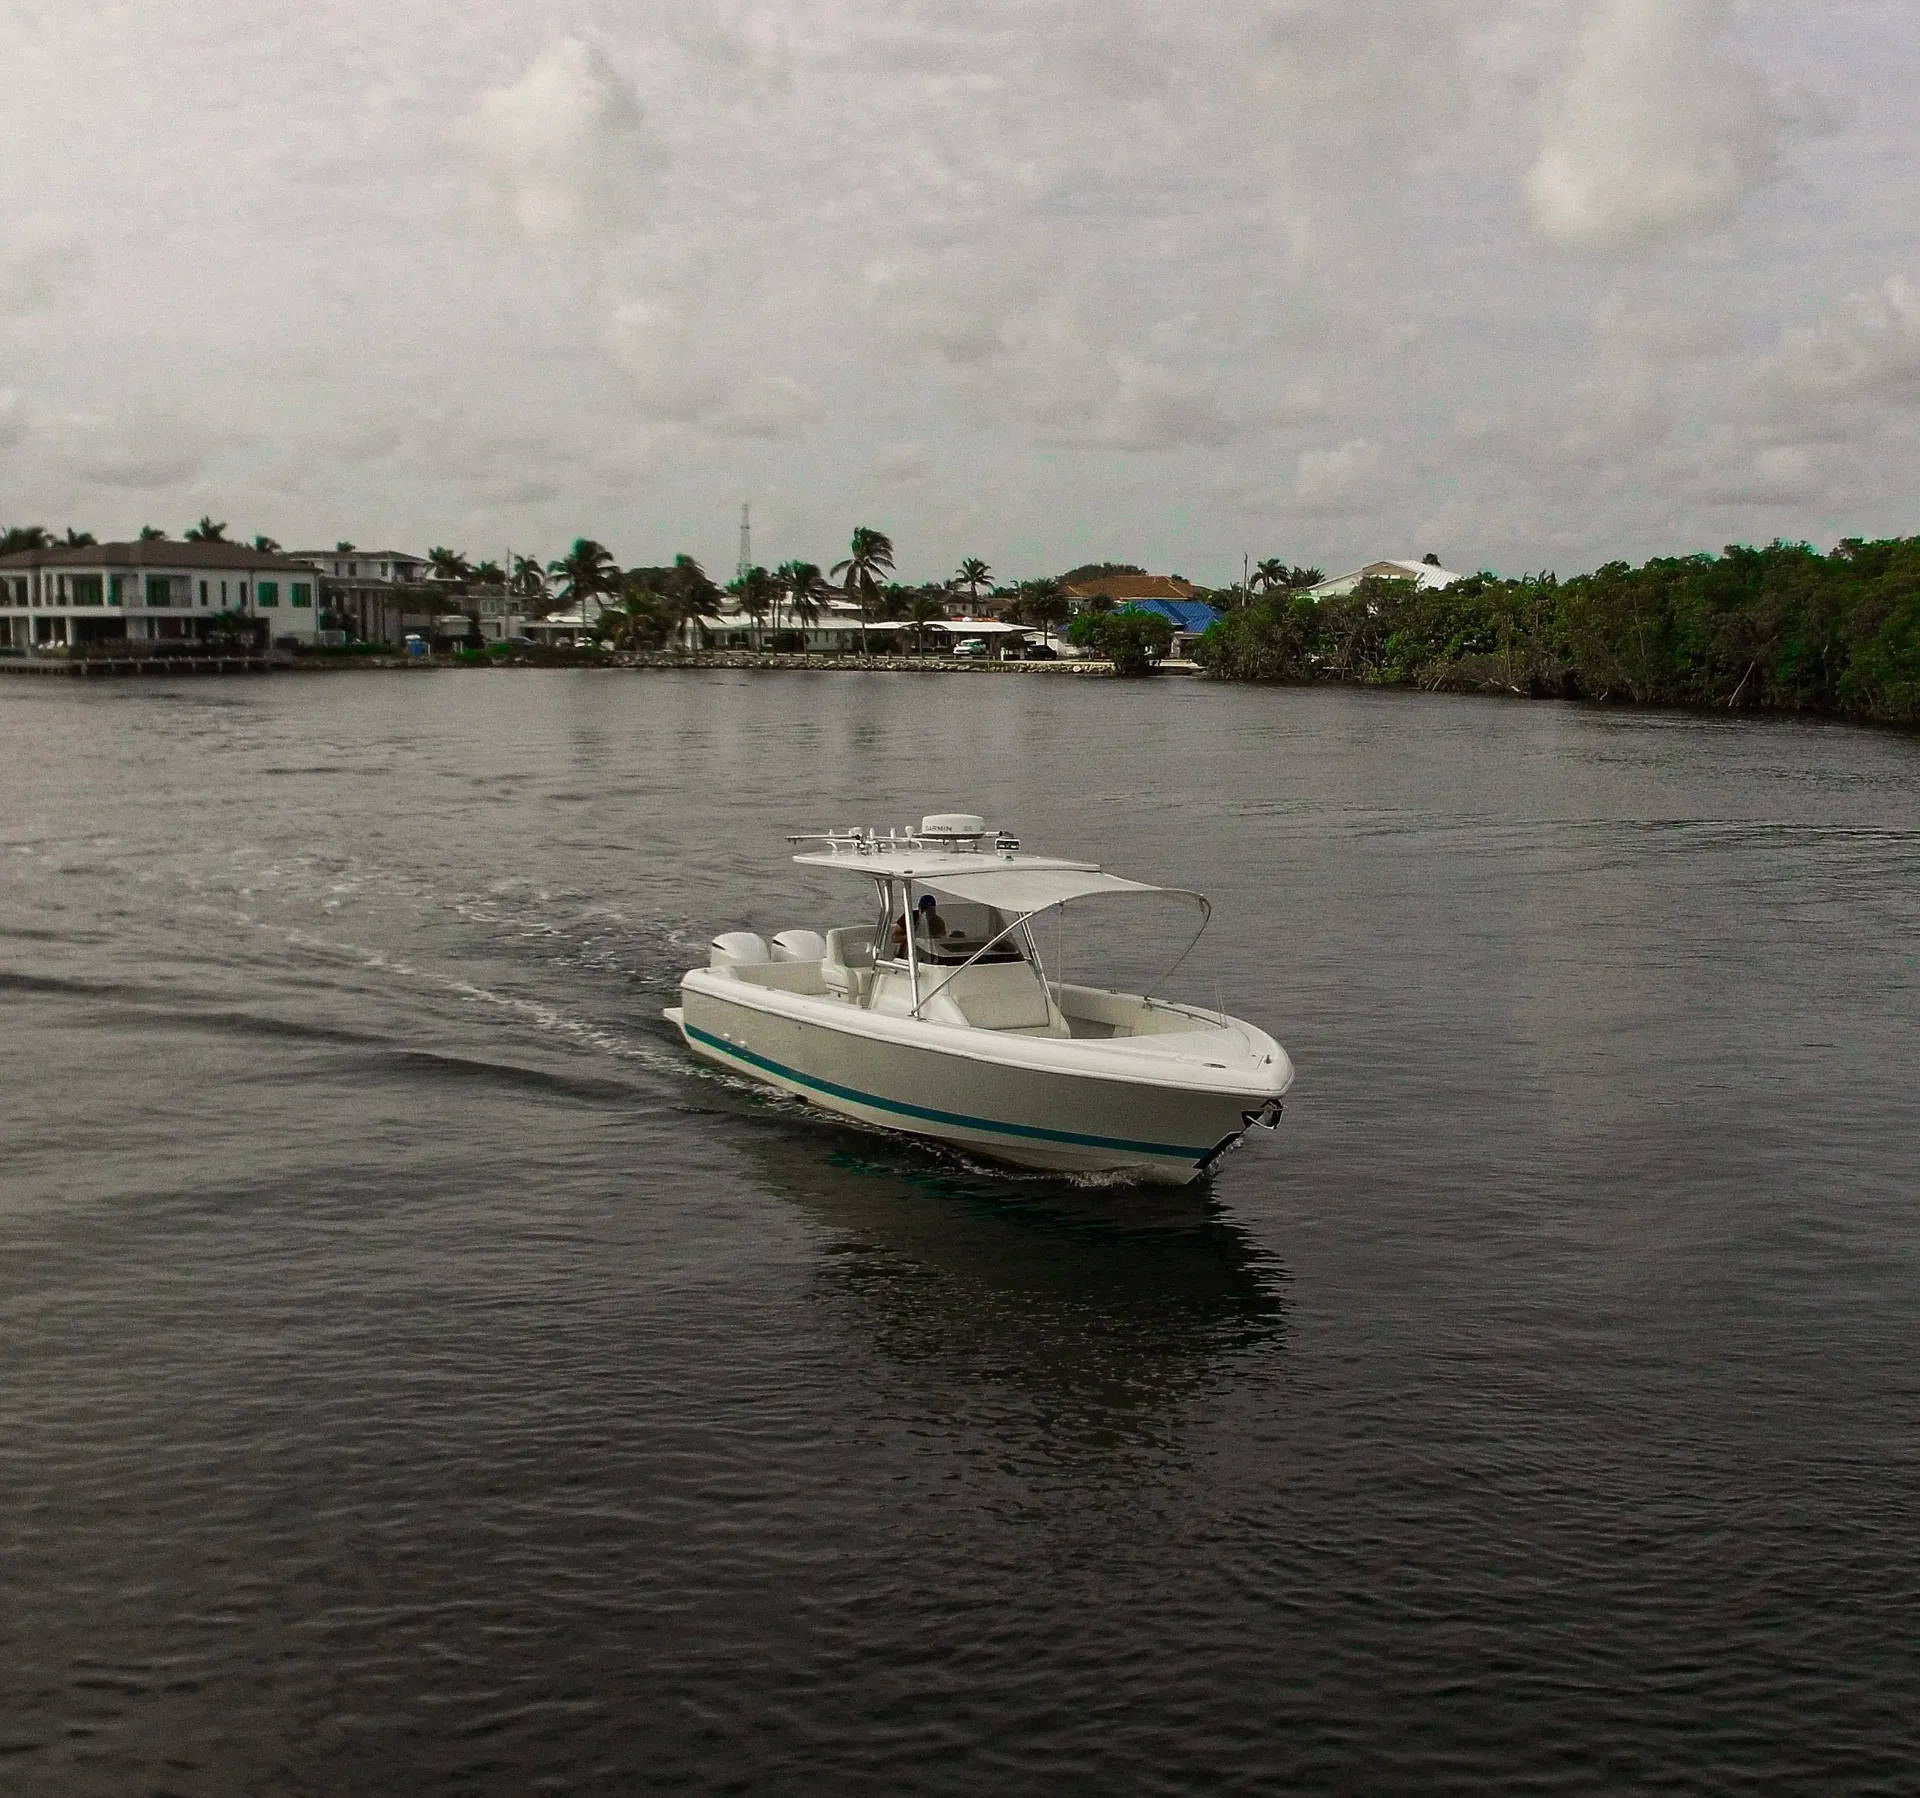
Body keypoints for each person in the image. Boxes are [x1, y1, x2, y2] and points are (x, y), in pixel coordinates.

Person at [889, 893, 948, 957]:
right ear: (919, 907)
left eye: (930, 910)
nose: (926, 912)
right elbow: (894, 938)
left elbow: (942, 937)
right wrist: (910, 937)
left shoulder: (938, 921)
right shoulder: (909, 917)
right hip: (908, 952)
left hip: (930, 953)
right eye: (923, 909)